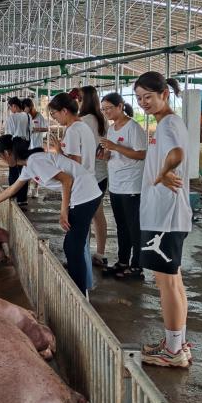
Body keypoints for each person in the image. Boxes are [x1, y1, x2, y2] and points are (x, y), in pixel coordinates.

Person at [0, 135, 102, 295]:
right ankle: (80, 288)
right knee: (72, 246)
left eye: (1, 157)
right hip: (84, 194)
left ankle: (80, 293)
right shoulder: (29, 165)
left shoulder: (35, 162)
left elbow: (66, 180)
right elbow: (12, 189)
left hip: (85, 194)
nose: (2, 160)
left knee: (73, 247)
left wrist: (63, 211)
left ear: (7, 153)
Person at [134, 72, 192, 368]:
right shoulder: (167, 123)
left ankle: (173, 351)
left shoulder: (168, 123)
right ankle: (176, 343)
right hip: (166, 215)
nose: (143, 102)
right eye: (139, 98)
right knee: (174, 281)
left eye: (148, 96)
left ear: (164, 94)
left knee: (166, 284)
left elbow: (177, 153)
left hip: (164, 218)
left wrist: (165, 172)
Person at [46, 92, 100, 292]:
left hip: (81, 190)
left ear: (64, 111)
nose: (55, 118)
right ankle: (85, 284)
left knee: (74, 246)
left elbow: (74, 164)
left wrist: (58, 153)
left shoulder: (73, 130)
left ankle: (80, 292)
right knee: (79, 242)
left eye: (54, 114)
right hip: (89, 185)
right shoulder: (83, 127)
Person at [100, 92, 147, 280]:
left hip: (131, 185)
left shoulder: (133, 128)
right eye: (104, 109)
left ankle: (137, 266)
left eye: (109, 108)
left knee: (134, 227)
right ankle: (122, 261)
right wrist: (105, 154)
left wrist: (115, 147)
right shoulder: (112, 129)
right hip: (116, 184)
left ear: (120, 106)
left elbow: (141, 154)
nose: (106, 112)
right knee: (121, 225)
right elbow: (111, 153)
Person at [78, 86, 110, 269]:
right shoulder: (102, 119)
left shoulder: (82, 121)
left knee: (84, 215)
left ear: (84, 101)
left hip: (87, 175)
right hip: (101, 173)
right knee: (98, 214)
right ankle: (100, 252)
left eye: (79, 99)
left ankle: (82, 253)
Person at [4, 97, 32, 206]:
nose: (10, 109)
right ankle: (22, 199)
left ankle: (13, 196)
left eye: (10, 107)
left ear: (14, 106)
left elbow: (8, 135)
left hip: (14, 145)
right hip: (25, 145)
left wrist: (7, 150)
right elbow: (31, 131)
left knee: (13, 171)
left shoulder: (12, 118)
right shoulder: (28, 116)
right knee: (24, 171)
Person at [23, 97, 50, 200]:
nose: (24, 110)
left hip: (37, 146)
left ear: (30, 107)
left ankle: (36, 190)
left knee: (37, 169)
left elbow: (46, 128)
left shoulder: (39, 116)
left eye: (25, 107)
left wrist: (36, 129)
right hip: (28, 147)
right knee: (28, 168)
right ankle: (28, 189)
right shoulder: (25, 117)